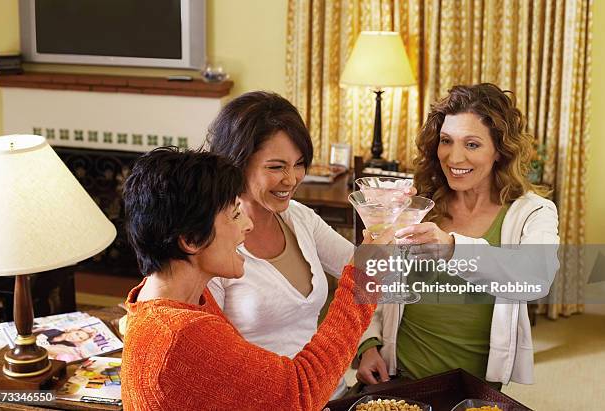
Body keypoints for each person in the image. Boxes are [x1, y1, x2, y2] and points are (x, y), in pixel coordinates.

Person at [120, 147, 390, 410]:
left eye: (298, 164)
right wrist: (364, 276)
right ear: (191, 239)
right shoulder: (181, 335)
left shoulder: (166, 301)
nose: (247, 225)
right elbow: (298, 393)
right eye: (235, 215)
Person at [356, 83, 559, 388]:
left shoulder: (532, 213)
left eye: (472, 144)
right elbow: (368, 274)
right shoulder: (416, 204)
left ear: (499, 151)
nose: (454, 157)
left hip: (472, 386)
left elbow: (536, 278)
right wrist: (368, 344)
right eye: (446, 141)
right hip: (397, 373)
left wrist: (452, 248)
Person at [206, 91, 357, 398]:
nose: (292, 179)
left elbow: (371, 274)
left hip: (331, 395)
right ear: (238, 164)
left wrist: (443, 244)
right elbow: (216, 362)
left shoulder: (298, 218)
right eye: (276, 167)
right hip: (265, 401)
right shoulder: (213, 242)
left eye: (299, 164)